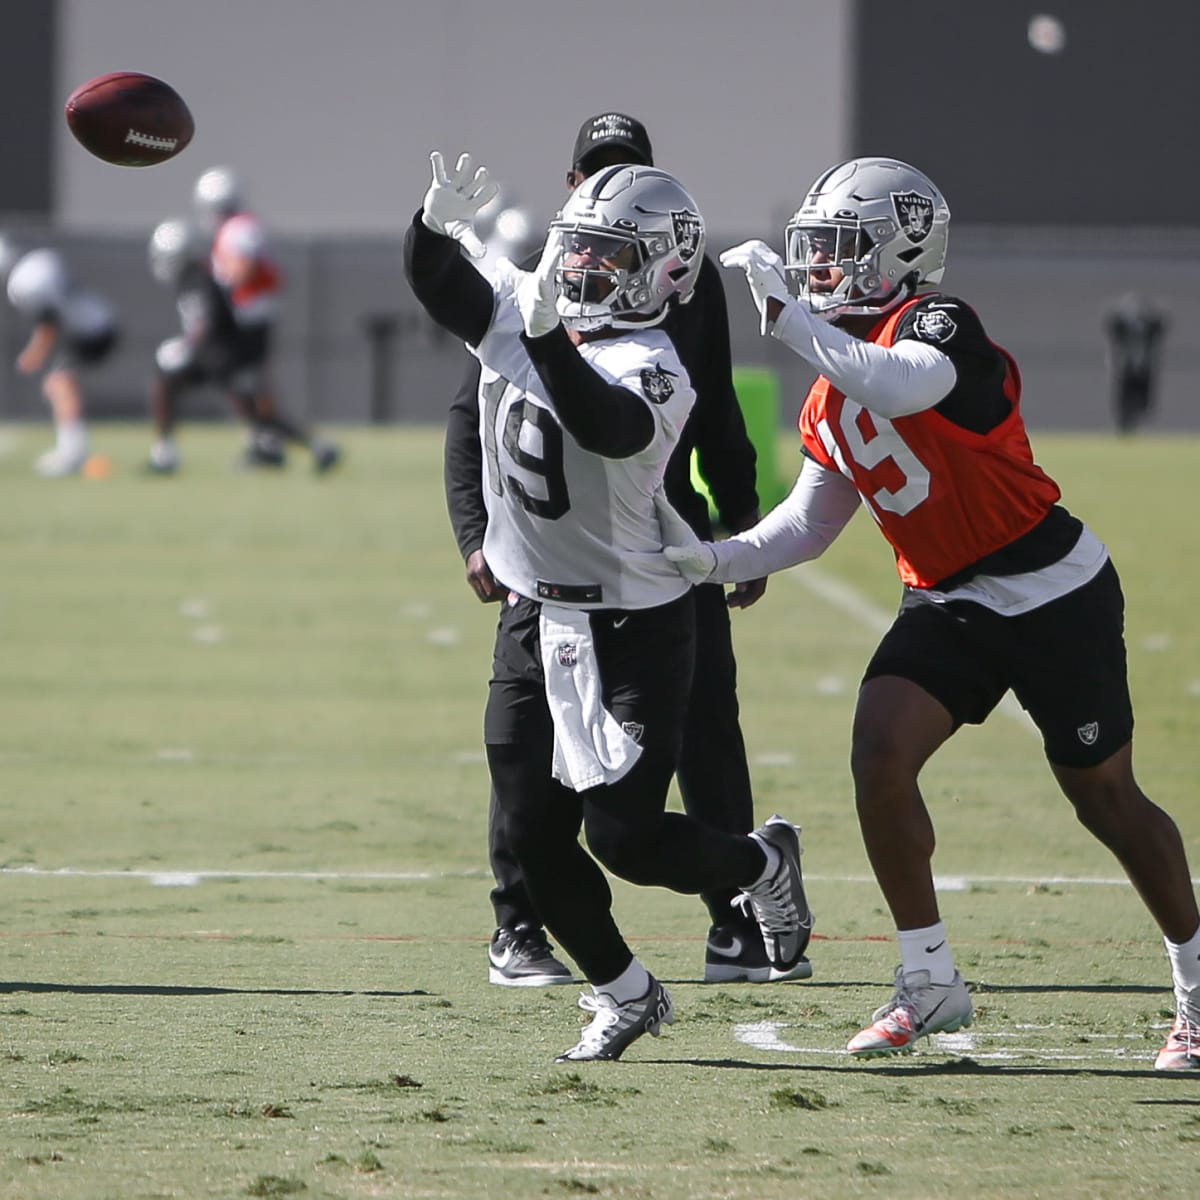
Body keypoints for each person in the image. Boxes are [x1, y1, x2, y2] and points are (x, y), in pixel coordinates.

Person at [661, 156, 1200, 1068]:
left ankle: (1194, 981)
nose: (820, 270)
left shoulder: (937, 323)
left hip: (1052, 589)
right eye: (814, 254)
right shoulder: (832, 389)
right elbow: (808, 523)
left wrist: (793, 323)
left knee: (1104, 798)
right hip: (949, 598)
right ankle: (930, 979)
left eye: (837, 252)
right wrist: (712, 557)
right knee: (880, 750)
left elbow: (904, 384)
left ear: (899, 251)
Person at [405, 150, 812, 1061]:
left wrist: (546, 334)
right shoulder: (530, 315)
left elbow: (605, 424)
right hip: (535, 616)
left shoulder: (654, 364)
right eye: (578, 249)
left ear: (668, 270)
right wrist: (430, 228)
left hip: (634, 623)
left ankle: (761, 861)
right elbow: (439, 287)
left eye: (610, 257)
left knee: (622, 838)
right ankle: (625, 993)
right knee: (532, 840)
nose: (584, 270)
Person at [187, 166, 340, 473]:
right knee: (243, 385)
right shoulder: (238, 228)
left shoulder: (240, 229)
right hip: (247, 319)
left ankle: (286, 443)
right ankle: (266, 442)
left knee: (241, 383)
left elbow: (242, 268)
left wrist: (220, 287)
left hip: (248, 320)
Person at [2, 240, 117, 477]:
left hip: (91, 331)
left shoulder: (23, 284)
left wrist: (34, 354)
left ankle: (72, 453)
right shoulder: (40, 260)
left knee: (59, 384)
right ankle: (73, 449)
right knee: (60, 383)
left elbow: (49, 322)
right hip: (97, 321)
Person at [1104, 292, 1167, 434]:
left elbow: (1162, 325)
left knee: (1142, 399)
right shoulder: (1122, 327)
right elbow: (1111, 324)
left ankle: (1137, 422)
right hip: (1126, 368)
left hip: (1144, 368)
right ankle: (1126, 424)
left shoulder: (1149, 328)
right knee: (1125, 397)